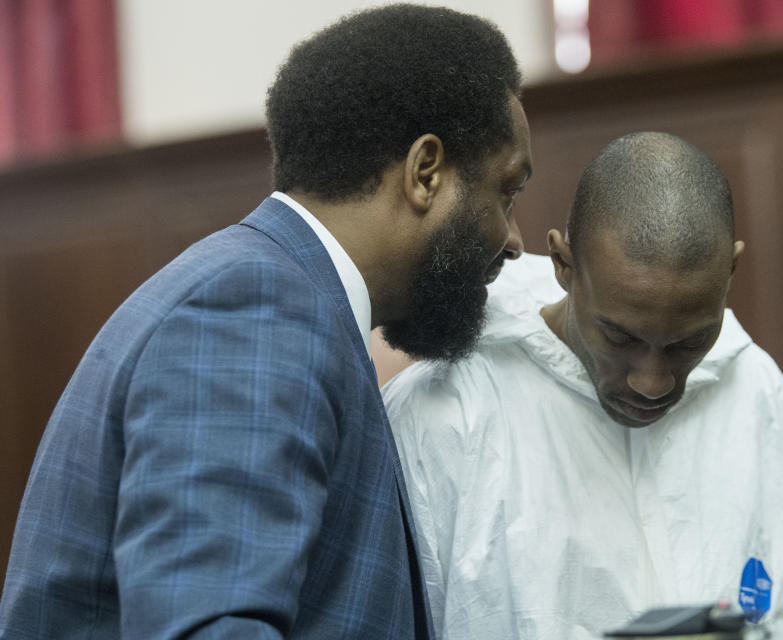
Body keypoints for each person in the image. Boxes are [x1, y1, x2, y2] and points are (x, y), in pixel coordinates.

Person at [0, 5, 532, 638]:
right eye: (506, 191)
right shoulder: (259, 305)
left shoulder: (286, 298)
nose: (515, 239)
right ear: (425, 173)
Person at [383, 132, 783, 639]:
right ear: (563, 264)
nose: (652, 383)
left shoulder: (754, 390)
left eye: (687, 343)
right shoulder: (446, 408)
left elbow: (777, 619)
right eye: (618, 336)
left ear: (730, 272)